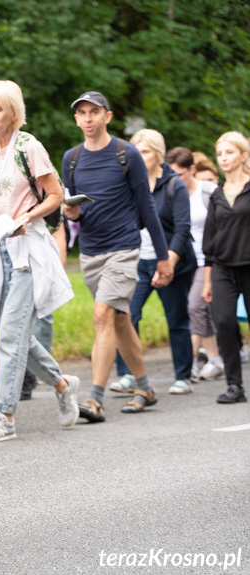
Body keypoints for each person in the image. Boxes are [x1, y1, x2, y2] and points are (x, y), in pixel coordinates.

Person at [0, 80, 79, 442]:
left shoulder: (30, 146)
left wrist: (26, 218)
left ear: (13, 112)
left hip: (27, 251)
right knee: (11, 332)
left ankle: (5, 417)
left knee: (11, 336)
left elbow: (55, 194)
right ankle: (61, 384)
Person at [62, 91, 172, 421]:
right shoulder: (72, 159)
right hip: (91, 252)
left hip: (124, 248)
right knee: (119, 320)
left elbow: (146, 206)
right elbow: (73, 215)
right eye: (82, 113)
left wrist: (163, 256)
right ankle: (145, 386)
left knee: (101, 316)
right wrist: (72, 215)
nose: (88, 118)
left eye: (94, 111)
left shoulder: (128, 153)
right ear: (77, 119)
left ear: (107, 116)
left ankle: (94, 399)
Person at [108, 130, 195, 395]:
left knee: (177, 320)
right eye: (135, 150)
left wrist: (167, 263)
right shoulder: (128, 183)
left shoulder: (173, 184)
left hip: (171, 261)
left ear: (158, 153)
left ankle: (183, 376)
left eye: (144, 151)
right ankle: (127, 374)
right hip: (136, 262)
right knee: (126, 316)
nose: (138, 156)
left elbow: (182, 229)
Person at [165, 146, 224, 381]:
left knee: (195, 306)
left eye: (179, 174)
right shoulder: (170, 191)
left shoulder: (208, 191)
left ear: (192, 170)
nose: (175, 179)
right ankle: (214, 358)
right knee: (197, 310)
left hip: (207, 258)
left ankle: (192, 362)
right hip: (182, 259)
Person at [201, 131, 250, 404]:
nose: (223, 159)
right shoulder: (217, 195)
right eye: (220, 154)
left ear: (244, 156)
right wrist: (207, 280)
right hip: (222, 268)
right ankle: (235, 386)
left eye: (229, 152)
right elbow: (209, 240)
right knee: (224, 322)